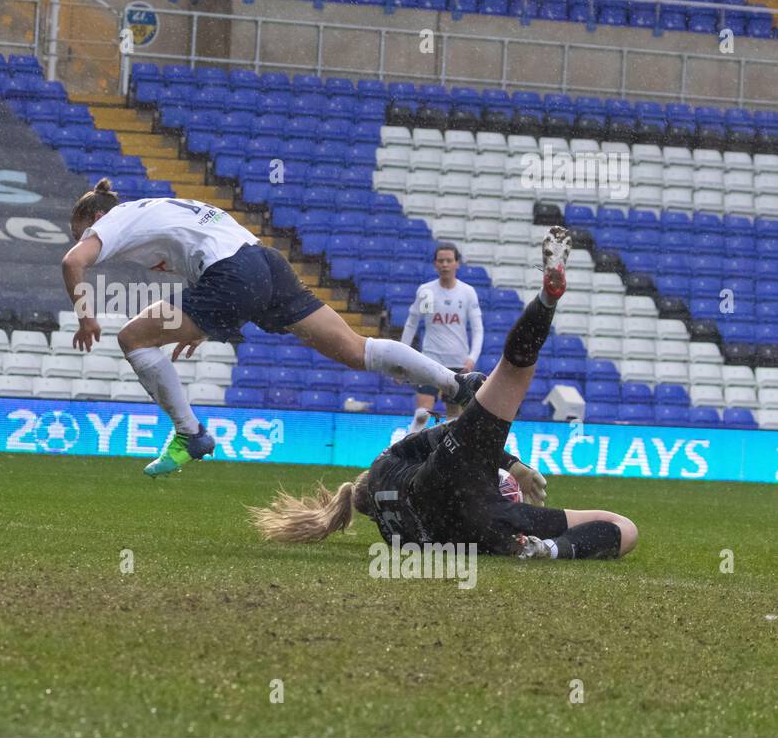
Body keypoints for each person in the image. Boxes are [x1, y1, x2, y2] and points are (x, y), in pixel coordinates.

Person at [249, 226, 638, 561]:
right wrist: (508, 464)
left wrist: (507, 465)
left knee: (513, 373)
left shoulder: (391, 507)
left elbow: (441, 437)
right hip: (463, 500)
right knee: (624, 527)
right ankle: (552, 551)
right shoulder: (388, 481)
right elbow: (437, 436)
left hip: (464, 505)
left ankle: (548, 301)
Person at [61, 179, 485, 477]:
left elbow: (72, 263)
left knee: (132, 337)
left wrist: (86, 315)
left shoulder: (113, 220)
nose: (81, 240)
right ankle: (456, 384)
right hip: (266, 264)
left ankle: (189, 434)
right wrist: (204, 327)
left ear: (94, 215)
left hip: (233, 275)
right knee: (357, 350)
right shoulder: (158, 209)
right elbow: (207, 253)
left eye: (79, 231)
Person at [400, 243, 483, 435]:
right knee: (423, 413)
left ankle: (447, 458)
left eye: (449, 260)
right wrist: (402, 355)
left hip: (457, 362)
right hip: (430, 359)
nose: (445, 264)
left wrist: (472, 357)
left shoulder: (467, 292)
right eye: (441, 261)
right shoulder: (428, 292)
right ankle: (408, 451)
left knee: (454, 417)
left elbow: (478, 329)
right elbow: (412, 323)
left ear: (457, 264)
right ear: (435, 264)